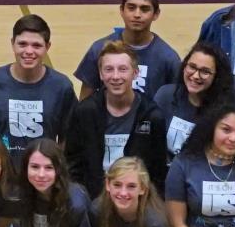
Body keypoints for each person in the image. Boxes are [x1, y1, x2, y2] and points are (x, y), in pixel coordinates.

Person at [64, 42, 164, 199]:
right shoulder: (84, 112)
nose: (116, 76)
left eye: (123, 69)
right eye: (109, 69)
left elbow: (158, 172)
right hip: (95, 199)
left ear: (135, 73)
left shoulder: (152, 116)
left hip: (135, 199)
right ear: (101, 74)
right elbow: (73, 166)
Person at [0, 13, 76, 158]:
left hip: (43, 176)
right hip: (2, 175)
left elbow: (67, 137)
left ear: (47, 47)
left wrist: (55, 167)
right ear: (12, 43)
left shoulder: (61, 87)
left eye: (36, 45)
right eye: (22, 44)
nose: (29, 51)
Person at [73, 0, 182, 101]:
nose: (137, 15)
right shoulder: (99, 49)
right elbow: (85, 100)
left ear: (156, 14)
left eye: (144, 9)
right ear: (121, 10)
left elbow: (176, 102)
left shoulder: (169, 59)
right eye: (131, 8)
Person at [152, 42, 234, 158]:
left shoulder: (225, 110)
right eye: (192, 67)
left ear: (217, 77)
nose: (195, 76)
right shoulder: (165, 95)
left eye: (205, 71)